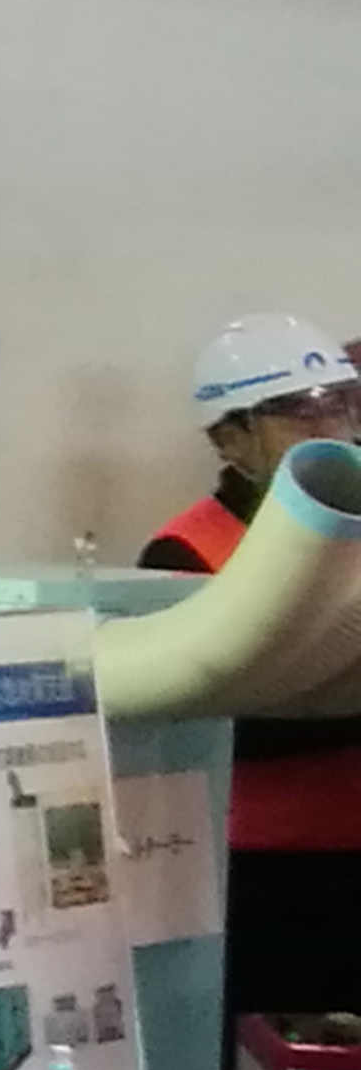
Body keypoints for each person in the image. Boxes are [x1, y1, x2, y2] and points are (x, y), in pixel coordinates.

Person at [138, 315, 361, 1015]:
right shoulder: (185, 553)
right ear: (229, 438)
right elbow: (201, 715)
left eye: (339, 404)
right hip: (261, 869)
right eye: (298, 411)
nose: (329, 427)